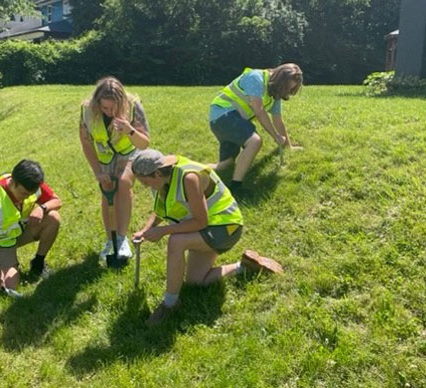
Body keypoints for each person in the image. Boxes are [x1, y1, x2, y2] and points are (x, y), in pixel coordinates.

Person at [131, 149, 283, 327]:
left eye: (145, 182)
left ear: (157, 173)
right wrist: (146, 230)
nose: (144, 186)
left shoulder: (189, 179)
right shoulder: (164, 178)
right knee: (196, 281)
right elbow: (160, 210)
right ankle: (246, 266)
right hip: (211, 228)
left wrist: (163, 231)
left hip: (227, 227)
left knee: (176, 241)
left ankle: (170, 304)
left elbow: (200, 222)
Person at [80, 76, 150, 261]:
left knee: (124, 182)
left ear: (122, 103)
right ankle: (111, 240)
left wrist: (129, 130)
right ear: (97, 103)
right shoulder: (86, 110)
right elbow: (86, 143)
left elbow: (144, 143)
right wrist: (98, 172)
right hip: (105, 158)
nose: (109, 112)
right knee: (107, 189)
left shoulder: (134, 106)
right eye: (104, 108)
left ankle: (121, 237)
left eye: (114, 108)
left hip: (129, 153)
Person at [0, 159, 61, 296]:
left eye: (31, 194)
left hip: (19, 232)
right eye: (23, 194)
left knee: (53, 218)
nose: (26, 198)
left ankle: (38, 264)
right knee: (9, 286)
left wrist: (42, 208)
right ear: (12, 182)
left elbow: (57, 201)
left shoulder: (32, 183)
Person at [209, 63, 303, 194]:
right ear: (279, 80)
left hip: (225, 122)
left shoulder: (274, 93)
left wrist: (288, 145)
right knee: (255, 141)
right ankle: (236, 188)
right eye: (286, 88)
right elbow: (259, 110)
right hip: (222, 116)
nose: (286, 92)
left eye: (290, 89)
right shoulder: (255, 78)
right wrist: (275, 136)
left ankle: (185, 168)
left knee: (225, 166)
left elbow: (278, 120)